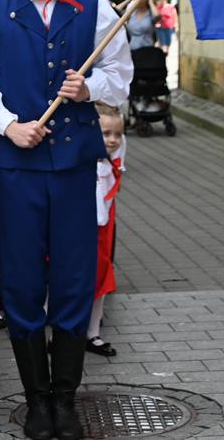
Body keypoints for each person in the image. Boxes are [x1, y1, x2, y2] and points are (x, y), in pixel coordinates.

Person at [0, 0, 133, 440]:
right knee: (21, 279)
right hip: (17, 167)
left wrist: (91, 89)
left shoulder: (95, 10)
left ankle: (66, 398)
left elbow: (120, 77)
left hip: (76, 165)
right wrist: (10, 125)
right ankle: (36, 400)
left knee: (77, 278)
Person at [88, 105, 124, 359]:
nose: (113, 139)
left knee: (100, 280)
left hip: (102, 231)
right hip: (81, 230)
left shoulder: (110, 162)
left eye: (117, 134)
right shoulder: (84, 163)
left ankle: (92, 332)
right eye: (106, 133)